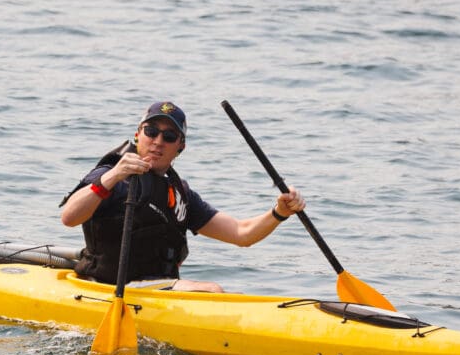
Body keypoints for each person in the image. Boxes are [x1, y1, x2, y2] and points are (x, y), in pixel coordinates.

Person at [60, 101, 305, 293]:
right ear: (137, 135)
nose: (158, 141)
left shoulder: (181, 194)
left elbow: (242, 234)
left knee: (231, 295)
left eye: (169, 136)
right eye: (151, 131)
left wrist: (279, 213)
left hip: (154, 288)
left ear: (181, 146)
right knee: (212, 291)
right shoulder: (110, 174)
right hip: (107, 287)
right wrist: (113, 177)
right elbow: (69, 217)